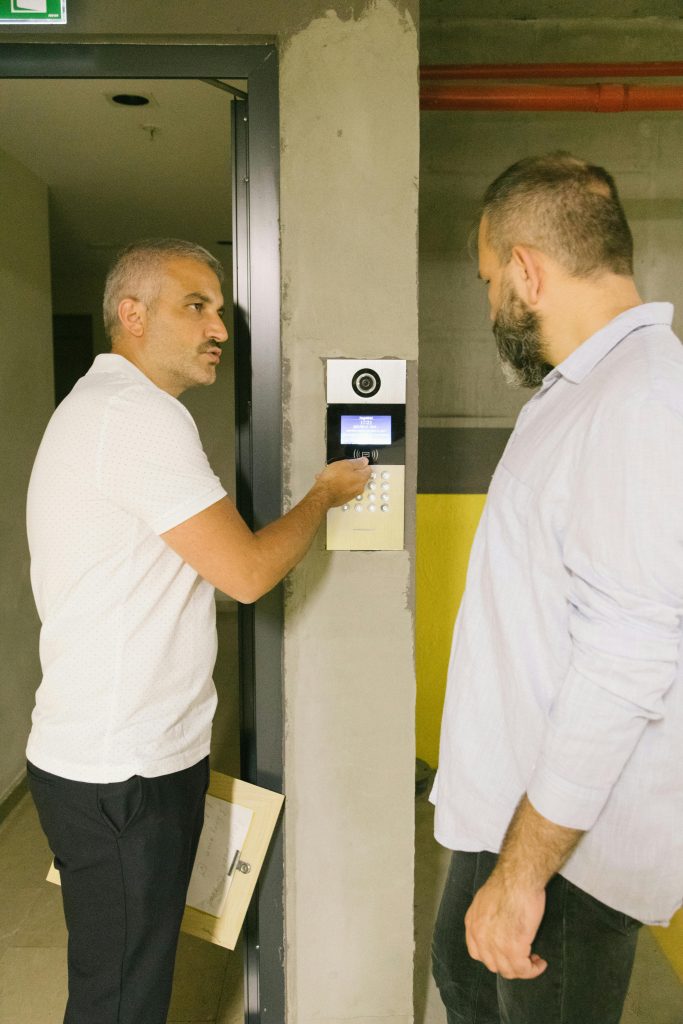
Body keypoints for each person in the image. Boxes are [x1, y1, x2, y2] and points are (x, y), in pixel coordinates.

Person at [25, 238, 370, 1024]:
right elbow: (245, 574)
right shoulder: (136, 417)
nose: (219, 327)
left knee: (127, 982)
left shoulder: (104, 409)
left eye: (221, 309)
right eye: (196, 306)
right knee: (120, 1001)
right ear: (131, 314)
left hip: (118, 759)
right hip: (122, 771)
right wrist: (322, 496)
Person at [430, 153, 683, 1024]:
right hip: (516, 809)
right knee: (461, 981)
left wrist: (524, 871)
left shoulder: (643, 400)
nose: (489, 296)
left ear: (527, 271)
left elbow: (628, 656)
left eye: (488, 277)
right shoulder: (581, 392)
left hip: (567, 849)